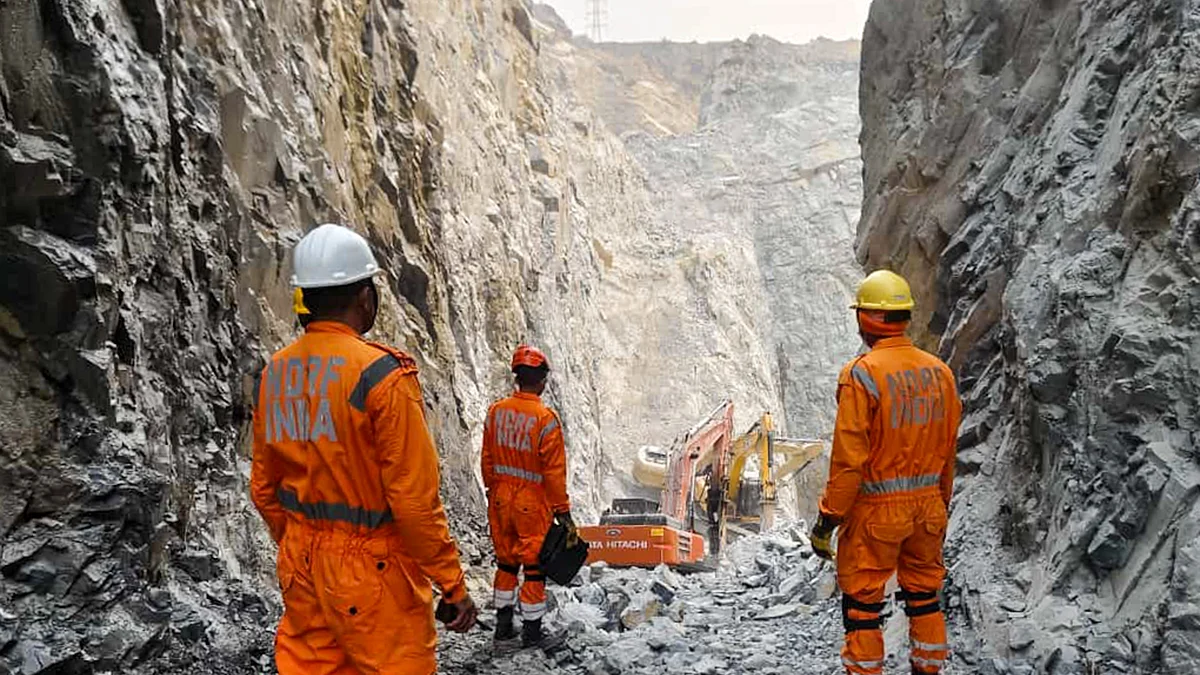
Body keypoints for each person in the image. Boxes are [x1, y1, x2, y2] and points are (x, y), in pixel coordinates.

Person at [251, 223, 477, 675]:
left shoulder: (275, 374)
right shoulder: (381, 376)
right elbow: (413, 503)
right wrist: (451, 584)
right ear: (364, 298)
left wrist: (301, 544)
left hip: (302, 566)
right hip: (374, 574)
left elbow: (263, 489)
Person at [810, 270, 963, 675]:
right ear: (905, 316)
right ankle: (928, 669)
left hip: (876, 513)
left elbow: (848, 462)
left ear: (865, 318)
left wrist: (827, 521)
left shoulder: (862, 375)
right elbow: (949, 451)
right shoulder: (941, 373)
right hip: (929, 509)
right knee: (924, 598)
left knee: (862, 607)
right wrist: (940, 504)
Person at [481, 345, 576, 649]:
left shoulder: (496, 412)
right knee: (534, 569)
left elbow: (487, 459)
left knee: (506, 564)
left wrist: (493, 491)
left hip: (500, 498)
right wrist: (563, 511)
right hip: (531, 504)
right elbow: (554, 473)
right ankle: (532, 633)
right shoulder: (545, 420)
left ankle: (503, 628)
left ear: (516, 377)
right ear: (543, 381)